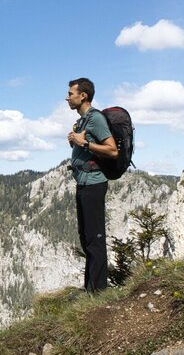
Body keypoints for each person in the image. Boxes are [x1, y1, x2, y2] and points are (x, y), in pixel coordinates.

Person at [66, 77, 118, 293]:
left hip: (94, 184)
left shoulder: (95, 118)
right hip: (83, 183)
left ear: (83, 95)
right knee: (87, 237)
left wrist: (84, 143)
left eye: (71, 94)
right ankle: (90, 289)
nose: (67, 98)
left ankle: (98, 291)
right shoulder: (83, 120)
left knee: (95, 238)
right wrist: (76, 141)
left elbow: (113, 150)